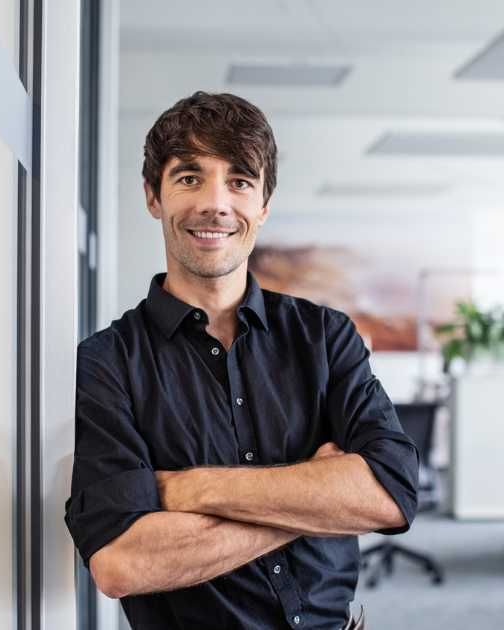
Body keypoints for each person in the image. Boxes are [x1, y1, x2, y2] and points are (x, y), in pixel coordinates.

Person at [64, 91, 419, 630]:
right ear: (152, 197)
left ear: (263, 204)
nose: (216, 203)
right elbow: (123, 563)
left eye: (239, 181)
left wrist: (188, 490)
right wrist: (317, 498)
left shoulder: (325, 337)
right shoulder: (108, 362)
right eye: (189, 178)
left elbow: (391, 492)